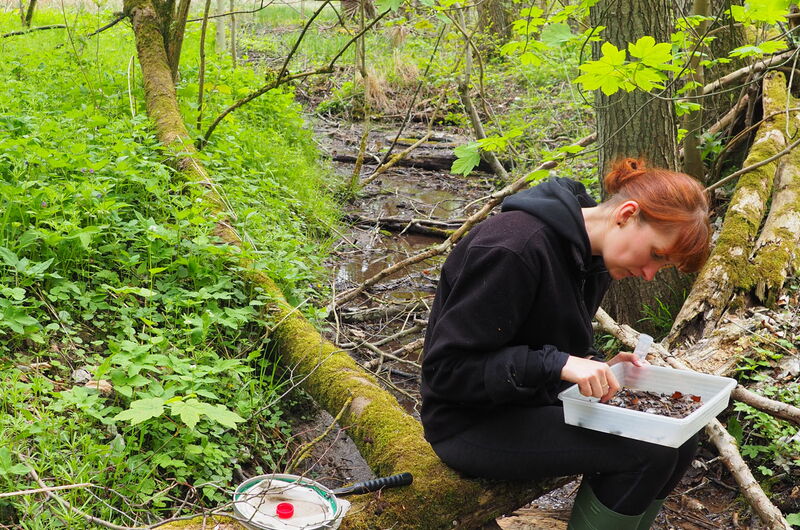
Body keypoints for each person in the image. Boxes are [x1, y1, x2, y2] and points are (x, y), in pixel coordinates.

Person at [420, 158, 711, 530]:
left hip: (535, 401)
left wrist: (596, 365)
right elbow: (447, 372)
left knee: (681, 437)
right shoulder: (512, 248)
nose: (650, 274)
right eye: (656, 255)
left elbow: (554, 341)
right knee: (647, 450)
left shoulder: (592, 258)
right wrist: (557, 364)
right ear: (626, 215)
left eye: (662, 266)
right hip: (470, 423)